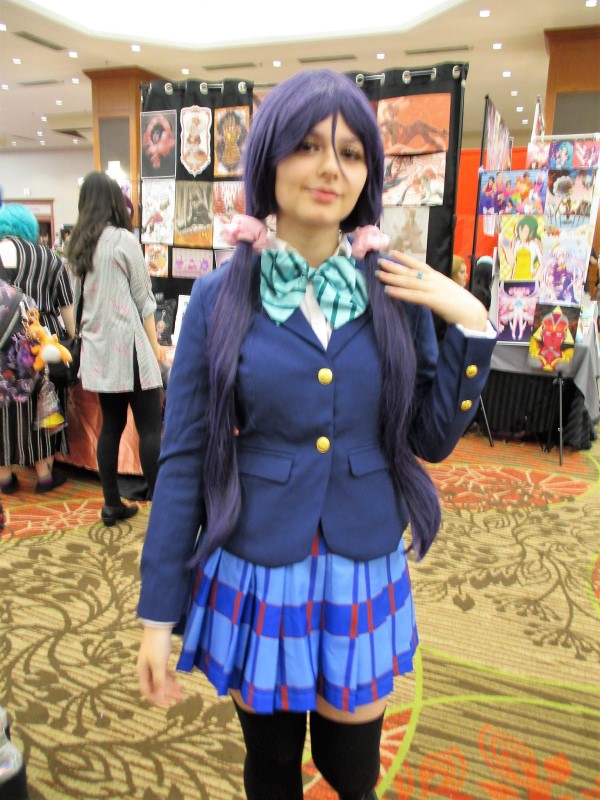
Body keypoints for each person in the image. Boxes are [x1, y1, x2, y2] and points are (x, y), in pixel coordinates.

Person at [136, 69, 496, 800]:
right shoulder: (220, 296)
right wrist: (157, 612)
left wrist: (473, 324)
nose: (331, 168)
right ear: (268, 159)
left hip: (363, 561)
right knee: (272, 769)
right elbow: (183, 459)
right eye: (307, 146)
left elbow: (428, 438)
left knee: (351, 770)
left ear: (368, 174)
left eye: (352, 152)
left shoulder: (395, 289)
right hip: (258, 560)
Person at [67, 172, 165, 526]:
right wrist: (155, 347)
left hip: (99, 352)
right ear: (113, 201)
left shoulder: (76, 247)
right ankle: (162, 510)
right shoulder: (123, 240)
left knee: (111, 426)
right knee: (150, 428)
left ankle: (111, 504)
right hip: (130, 348)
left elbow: (75, 304)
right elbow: (144, 299)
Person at [0, 203, 75, 494]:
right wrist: (71, 336)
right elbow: (66, 304)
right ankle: (44, 475)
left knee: (3, 405)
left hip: (3, 341)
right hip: (41, 338)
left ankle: (5, 477)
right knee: (43, 401)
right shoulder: (49, 258)